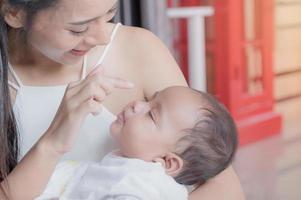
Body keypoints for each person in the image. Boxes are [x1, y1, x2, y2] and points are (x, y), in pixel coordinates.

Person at [0, 0, 245, 199]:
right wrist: (52, 140)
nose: (102, 37)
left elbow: (225, 187)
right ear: (13, 12)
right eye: (78, 28)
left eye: (110, 13)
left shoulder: (138, 48)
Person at [36, 86, 238, 200]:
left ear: (167, 162)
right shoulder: (125, 167)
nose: (137, 104)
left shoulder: (140, 184)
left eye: (151, 115)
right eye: (150, 99)